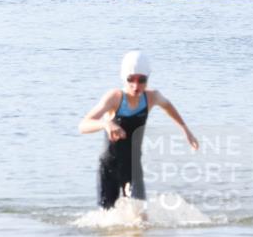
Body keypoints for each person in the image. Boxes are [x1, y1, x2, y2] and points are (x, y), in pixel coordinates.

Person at [79, 51, 199, 209]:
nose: (136, 86)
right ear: (124, 78)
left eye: (142, 80)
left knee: (140, 215)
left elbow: (168, 107)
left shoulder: (151, 97)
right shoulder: (114, 98)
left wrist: (186, 130)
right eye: (131, 80)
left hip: (133, 167)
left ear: (148, 78)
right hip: (109, 167)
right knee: (107, 217)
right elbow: (83, 125)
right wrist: (106, 124)